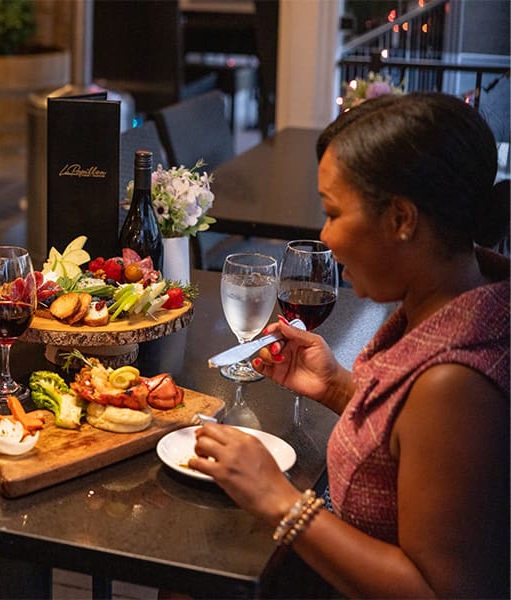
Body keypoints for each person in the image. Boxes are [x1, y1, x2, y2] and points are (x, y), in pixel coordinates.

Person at [189, 92, 509, 598]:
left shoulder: (457, 383)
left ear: (402, 219)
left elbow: (439, 590)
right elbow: (412, 445)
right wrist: (340, 389)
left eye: (333, 213)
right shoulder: (452, 300)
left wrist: (280, 500)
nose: (326, 235)